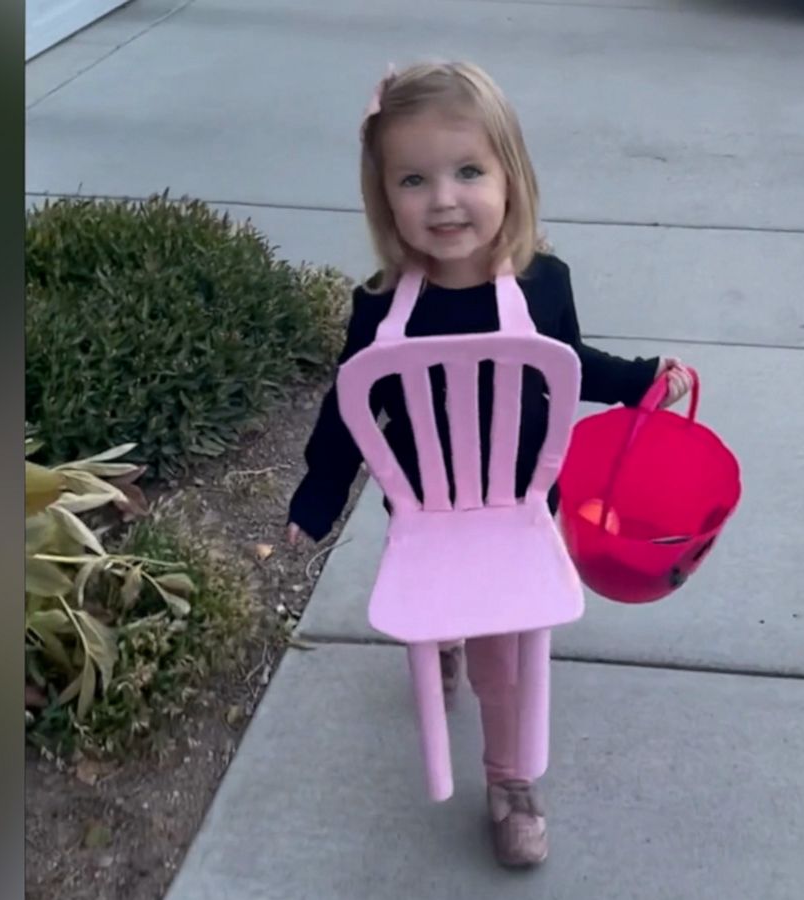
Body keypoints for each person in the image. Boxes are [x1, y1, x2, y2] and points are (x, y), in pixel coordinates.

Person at [284, 60, 692, 868]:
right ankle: (441, 646)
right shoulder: (379, 308)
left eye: (469, 171)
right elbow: (348, 407)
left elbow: (567, 361)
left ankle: (509, 782)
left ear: (511, 176)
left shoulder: (543, 286)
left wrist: (639, 378)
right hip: (428, 509)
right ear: (384, 198)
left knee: (501, 666)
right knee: (445, 608)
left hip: (516, 504)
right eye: (413, 179)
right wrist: (321, 490)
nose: (443, 198)